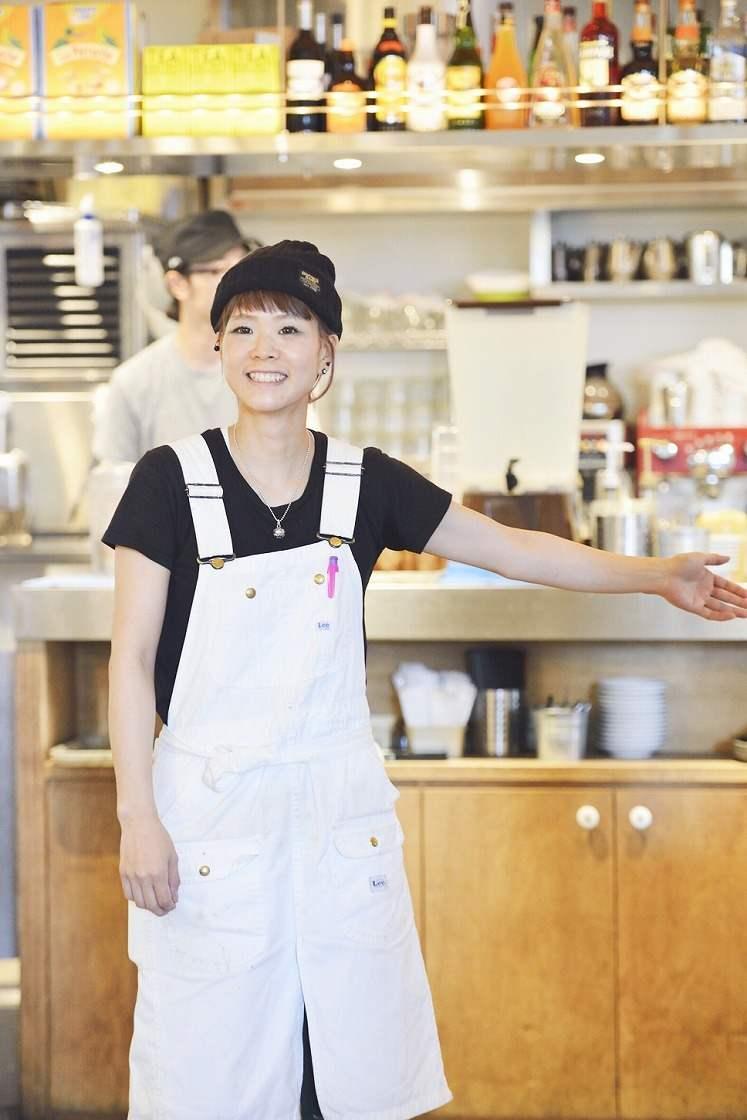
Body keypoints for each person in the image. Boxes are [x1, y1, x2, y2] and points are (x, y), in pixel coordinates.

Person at [104, 240, 747, 1120]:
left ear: (326, 353)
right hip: (210, 825)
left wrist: (654, 574)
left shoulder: (364, 482)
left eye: (290, 328)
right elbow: (130, 659)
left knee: (350, 1076)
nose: (265, 348)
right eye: (242, 327)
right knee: (208, 1080)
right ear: (216, 347)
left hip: (336, 820)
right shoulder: (166, 481)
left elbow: (512, 548)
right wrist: (136, 815)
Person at [92, 210, 256, 464]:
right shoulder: (134, 383)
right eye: (217, 271)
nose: (236, 284)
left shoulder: (264, 372)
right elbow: (113, 486)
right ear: (178, 284)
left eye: (241, 270)